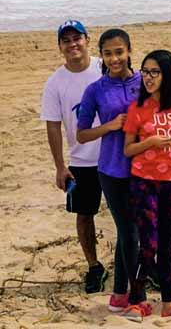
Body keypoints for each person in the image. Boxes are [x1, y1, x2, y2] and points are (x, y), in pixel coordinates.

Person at [122, 50, 171, 318]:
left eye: (154, 72)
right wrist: (151, 143)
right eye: (145, 71)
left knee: (167, 242)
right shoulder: (137, 108)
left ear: (168, 75)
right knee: (149, 243)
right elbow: (128, 150)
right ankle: (137, 300)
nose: (148, 77)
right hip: (144, 181)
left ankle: (168, 302)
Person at [76, 28, 144, 313]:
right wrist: (110, 126)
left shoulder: (145, 81)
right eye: (108, 53)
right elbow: (81, 135)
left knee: (133, 231)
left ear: (129, 51)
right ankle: (127, 293)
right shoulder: (95, 89)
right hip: (112, 170)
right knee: (128, 231)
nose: (114, 58)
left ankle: (120, 291)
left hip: (144, 167)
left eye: (119, 52)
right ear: (101, 56)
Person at [40, 20, 105, 293]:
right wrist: (59, 166)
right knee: (84, 214)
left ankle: (137, 263)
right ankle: (94, 266)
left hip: (116, 155)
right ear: (60, 47)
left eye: (77, 38)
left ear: (88, 40)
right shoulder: (55, 83)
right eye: (66, 40)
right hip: (81, 160)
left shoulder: (104, 67)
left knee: (130, 213)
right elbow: (53, 124)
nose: (72, 44)